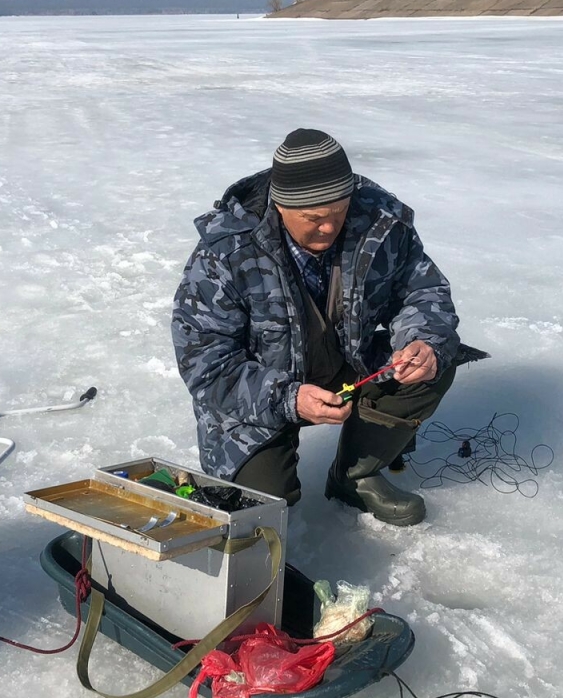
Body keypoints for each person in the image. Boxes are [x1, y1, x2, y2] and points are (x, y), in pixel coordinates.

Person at [171, 129, 460, 526]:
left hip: (349, 366)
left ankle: (355, 476)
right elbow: (207, 366)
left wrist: (422, 340)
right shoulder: (226, 251)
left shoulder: (380, 223)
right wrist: (288, 398)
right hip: (258, 396)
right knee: (262, 506)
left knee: (436, 361)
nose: (329, 227)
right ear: (281, 206)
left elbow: (422, 291)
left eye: (339, 212)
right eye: (314, 218)